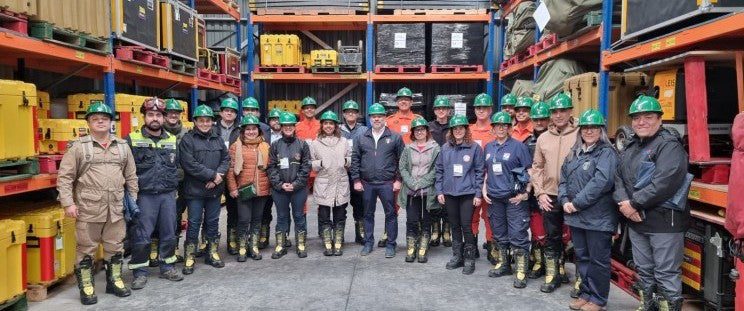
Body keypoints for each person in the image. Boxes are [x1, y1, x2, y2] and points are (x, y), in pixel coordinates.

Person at [57, 102, 137, 305]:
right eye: (95, 119)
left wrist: (133, 199)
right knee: (86, 248)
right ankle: (86, 286)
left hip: (116, 208)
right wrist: (68, 204)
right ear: (89, 123)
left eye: (104, 118)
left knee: (115, 246)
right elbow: (65, 177)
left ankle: (115, 281)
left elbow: (131, 176)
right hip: (88, 208)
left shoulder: (122, 147)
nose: (100, 121)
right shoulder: (78, 148)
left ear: (111, 122)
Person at [614, 95, 689, 311]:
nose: (641, 122)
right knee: (644, 269)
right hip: (637, 220)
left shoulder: (669, 145)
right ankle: (647, 306)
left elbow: (665, 182)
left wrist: (634, 204)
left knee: (666, 273)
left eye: (648, 116)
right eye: (636, 118)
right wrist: (624, 204)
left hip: (664, 221)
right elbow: (618, 178)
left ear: (660, 119)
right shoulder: (631, 146)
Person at [559, 109, 619, 311]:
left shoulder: (606, 153)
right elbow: (563, 179)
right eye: (585, 127)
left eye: (594, 127)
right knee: (582, 258)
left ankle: (598, 299)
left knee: (598, 260)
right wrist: (564, 199)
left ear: (601, 130)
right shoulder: (574, 153)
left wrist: (576, 203)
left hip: (598, 218)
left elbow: (601, 182)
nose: (589, 131)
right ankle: (586, 293)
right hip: (576, 217)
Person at [126, 98, 184, 290]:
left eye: (158, 115)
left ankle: (167, 266)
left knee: (169, 232)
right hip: (145, 195)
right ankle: (140, 272)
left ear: (164, 117)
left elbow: (178, 166)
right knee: (142, 235)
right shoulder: (132, 139)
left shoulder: (172, 139)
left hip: (167, 194)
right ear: (144, 116)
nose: (155, 118)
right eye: (151, 114)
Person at [530, 92, 578, 293]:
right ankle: (553, 274)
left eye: (562, 111)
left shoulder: (581, 133)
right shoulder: (543, 138)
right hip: (550, 195)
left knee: (578, 238)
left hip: (575, 196)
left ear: (570, 112)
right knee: (552, 236)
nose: (558, 115)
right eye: (555, 112)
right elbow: (537, 167)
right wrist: (540, 193)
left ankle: (580, 279)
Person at [482, 111, 533, 288]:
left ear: (509, 128)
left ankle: (521, 271)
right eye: (497, 126)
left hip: (514, 199)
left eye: (504, 126)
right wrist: (484, 189)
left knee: (518, 234)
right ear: (493, 128)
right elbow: (486, 171)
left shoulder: (519, 147)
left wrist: (526, 193)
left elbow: (529, 171)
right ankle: (504, 264)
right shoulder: (488, 147)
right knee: (499, 234)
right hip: (495, 198)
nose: (501, 129)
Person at [179, 105, 230, 274]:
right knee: (193, 223)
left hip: (214, 190)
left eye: (208, 120)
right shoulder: (188, 140)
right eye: (201, 120)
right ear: (195, 121)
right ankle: (190, 256)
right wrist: (211, 176)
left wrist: (217, 178)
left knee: (213, 222)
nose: (205, 123)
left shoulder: (218, 139)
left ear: (212, 122)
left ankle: (212, 252)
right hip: (195, 191)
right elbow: (189, 164)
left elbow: (226, 159)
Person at [350, 103, 404, 258]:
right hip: (367, 183)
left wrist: (398, 179)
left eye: (380, 116)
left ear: (385, 118)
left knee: (391, 214)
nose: (377, 119)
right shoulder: (361, 138)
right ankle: (368, 243)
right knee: (367, 214)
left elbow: (402, 160)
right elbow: (355, 160)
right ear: (370, 118)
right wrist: (356, 180)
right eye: (374, 116)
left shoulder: (395, 137)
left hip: (387, 183)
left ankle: (391, 245)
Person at [435, 114, 485, 275]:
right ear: (451, 130)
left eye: (461, 128)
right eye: (455, 128)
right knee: (454, 225)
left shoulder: (474, 148)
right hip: (449, 193)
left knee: (466, 226)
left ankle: (469, 258)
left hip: (467, 193)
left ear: (466, 129)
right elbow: (439, 170)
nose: (458, 131)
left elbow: (479, 171)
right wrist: (439, 190)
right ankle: (457, 256)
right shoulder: (445, 148)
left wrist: (478, 193)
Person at [380, 87, 422, 247]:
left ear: (411, 102)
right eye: (400, 99)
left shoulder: (418, 119)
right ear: (397, 102)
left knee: (415, 203)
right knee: (392, 203)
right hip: (394, 169)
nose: (404, 101)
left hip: (415, 169)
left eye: (407, 99)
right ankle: (387, 233)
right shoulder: (389, 121)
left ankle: (415, 235)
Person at [227, 115, 271, 262]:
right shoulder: (235, 147)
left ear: (258, 130)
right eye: (248, 129)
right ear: (243, 131)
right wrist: (232, 188)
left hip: (261, 189)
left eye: (254, 129)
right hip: (243, 189)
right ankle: (242, 247)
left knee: (257, 219)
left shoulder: (265, 147)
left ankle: (253, 246)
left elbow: (270, 168)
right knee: (244, 219)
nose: (251, 132)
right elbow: (230, 169)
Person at [267, 111, 312, 259]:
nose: (287, 128)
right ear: (281, 127)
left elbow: (306, 167)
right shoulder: (274, 146)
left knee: (299, 215)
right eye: (285, 125)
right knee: (281, 216)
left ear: (294, 126)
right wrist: (279, 184)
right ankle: (281, 244)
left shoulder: (302, 145)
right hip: (279, 190)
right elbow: (271, 167)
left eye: (290, 125)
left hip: (298, 189)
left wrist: (296, 184)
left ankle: (301, 244)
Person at [398, 117, 440, 263]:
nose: (419, 132)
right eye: (417, 130)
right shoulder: (408, 148)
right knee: (411, 219)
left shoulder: (435, 148)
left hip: (428, 190)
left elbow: (437, 169)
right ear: (413, 132)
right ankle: (411, 247)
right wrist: (411, 182)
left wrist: (422, 182)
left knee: (426, 219)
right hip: (411, 190)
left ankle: (423, 248)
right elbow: (402, 167)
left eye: (422, 129)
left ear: (427, 131)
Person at [310, 111, 351, 256]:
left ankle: (338, 241)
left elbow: (351, 157)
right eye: (326, 123)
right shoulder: (315, 143)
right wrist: (320, 163)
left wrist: (346, 161)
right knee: (324, 215)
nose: (328, 126)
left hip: (340, 183)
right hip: (324, 184)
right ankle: (328, 242)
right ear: (322, 125)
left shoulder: (344, 141)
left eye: (331, 123)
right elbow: (311, 163)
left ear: (335, 126)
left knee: (340, 214)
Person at [523, 101, 552, 281]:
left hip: (552, 191)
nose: (539, 122)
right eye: (536, 119)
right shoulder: (527, 142)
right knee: (536, 228)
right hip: (533, 192)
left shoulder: (556, 139)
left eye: (543, 119)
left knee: (555, 231)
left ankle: (555, 265)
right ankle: (538, 261)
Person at [469, 93, 497, 264]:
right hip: (471, 181)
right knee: (471, 214)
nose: (481, 110)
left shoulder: (496, 130)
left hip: (491, 181)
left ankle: (491, 246)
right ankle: (471, 246)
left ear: (490, 109)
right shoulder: (468, 130)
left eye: (484, 108)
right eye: (478, 107)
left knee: (489, 216)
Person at [214, 98, 241, 256]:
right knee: (211, 210)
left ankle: (232, 239)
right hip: (215, 174)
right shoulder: (213, 128)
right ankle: (208, 241)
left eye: (232, 111)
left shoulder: (239, 130)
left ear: (236, 114)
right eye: (226, 110)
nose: (229, 113)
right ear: (221, 112)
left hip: (233, 173)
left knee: (233, 209)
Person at [339, 100, 368, 245]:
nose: (351, 113)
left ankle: (360, 233)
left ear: (357, 114)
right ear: (343, 114)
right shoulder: (337, 130)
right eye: (348, 111)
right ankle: (340, 235)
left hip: (358, 174)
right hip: (341, 173)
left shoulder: (363, 130)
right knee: (340, 204)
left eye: (353, 111)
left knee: (359, 204)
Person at [428, 97, 453, 248]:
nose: (441, 111)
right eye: (438, 108)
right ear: (435, 111)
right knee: (434, 201)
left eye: (444, 108)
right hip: (432, 169)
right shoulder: (429, 127)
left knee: (448, 201)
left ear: (449, 111)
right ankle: (435, 231)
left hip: (450, 169)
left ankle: (447, 231)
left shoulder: (454, 126)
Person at [258, 108, 284, 250]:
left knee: (283, 211)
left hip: (286, 176)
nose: (277, 122)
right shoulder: (264, 134)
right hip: (268, 176)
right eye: (273, 119)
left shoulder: (290, 132)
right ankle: (264, 235)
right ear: (269, 121)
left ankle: (283, 237)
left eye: (279, 119)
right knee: (265, 208)